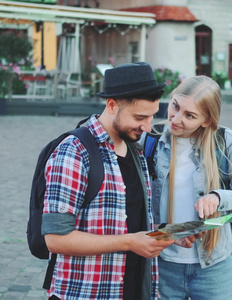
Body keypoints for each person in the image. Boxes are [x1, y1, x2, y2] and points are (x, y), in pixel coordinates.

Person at [41, 62, 175, 300]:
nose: (147, 127)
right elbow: (56, 238)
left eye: (152, 116)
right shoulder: (74, 151)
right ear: (112, 105)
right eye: (139, 117)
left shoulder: (135, 150)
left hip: (133, 290)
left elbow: (129, 224)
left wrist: (165, 234)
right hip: (85, 293)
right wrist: (129, 242)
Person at [141, 75, 232, 299]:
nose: (176, 119)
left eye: (189, 115)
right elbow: (135, 210)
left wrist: (219, 198)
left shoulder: (224, 141)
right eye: (175, 106)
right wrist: (168, 233)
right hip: (162, 268)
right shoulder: (149, 140)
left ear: (207, 121)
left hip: (214, 269)